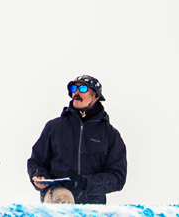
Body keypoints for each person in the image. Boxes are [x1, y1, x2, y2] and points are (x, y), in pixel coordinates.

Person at [27, 75, 127, 204]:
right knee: (62, 197)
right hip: (57, 199)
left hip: (93, 208)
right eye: (74, 88)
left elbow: (117, 177)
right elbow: (36, 161)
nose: (77, 92)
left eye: (83, 88)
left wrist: (84, 183)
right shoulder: (54, 127)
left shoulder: (110, 134)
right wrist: (38, 175)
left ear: (96, 96)